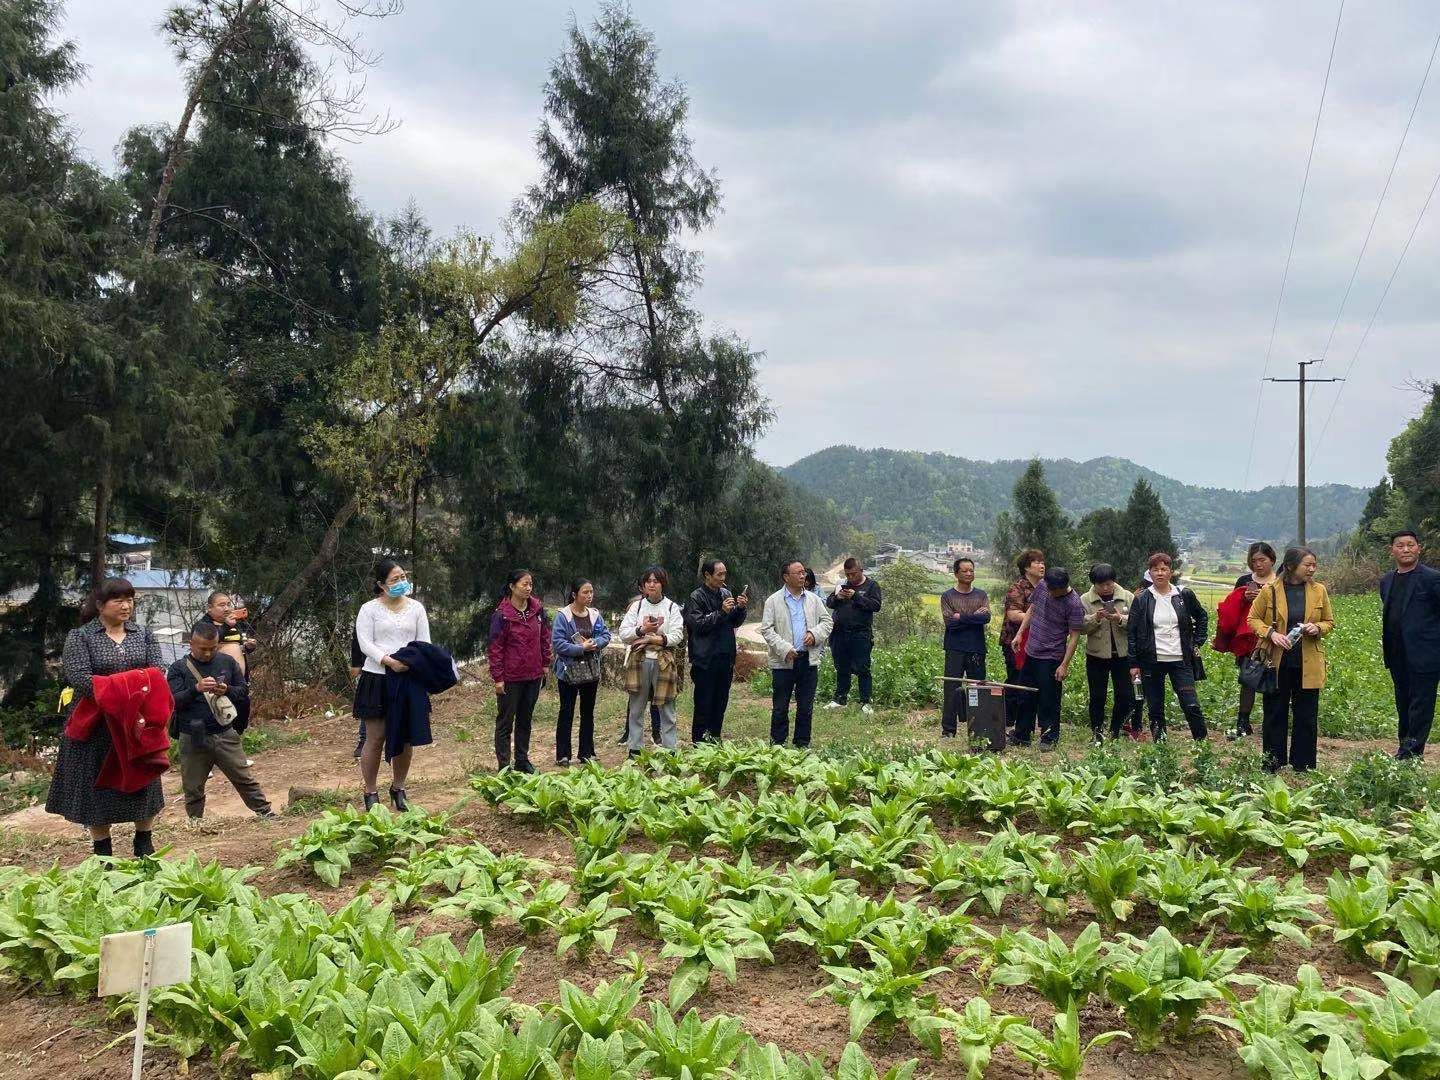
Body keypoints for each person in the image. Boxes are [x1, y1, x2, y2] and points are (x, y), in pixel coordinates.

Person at [44, 578, 166, 857]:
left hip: (135, 723)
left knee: (142, 777)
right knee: (96, 784)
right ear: (100, 605)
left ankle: (144, 841)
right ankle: (102, 850)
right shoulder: (81, 637)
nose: (126, 606)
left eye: (130, 600)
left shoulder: (143, 634)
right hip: (96, 726)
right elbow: (80, 678)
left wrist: (123, 687)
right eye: (119, 601)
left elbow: (157, 672)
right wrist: (130, 685)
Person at [167, 621, 274, 822]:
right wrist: (195, 689)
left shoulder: (226, 661)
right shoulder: (178, 668)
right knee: (193, 786)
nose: (208, 653)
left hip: (225, 732)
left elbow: (243, 691)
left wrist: (228, 690)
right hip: (192, 735)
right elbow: (172, 701)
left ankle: (265, 812)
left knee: (244, 778)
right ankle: (195, 822)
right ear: (191, 643)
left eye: (213, 648)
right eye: (203, 649)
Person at [1247, 546, 1334, 773]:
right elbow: (1253, 619)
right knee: (1275, 713)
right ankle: (1272, 763)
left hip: (1308, 662)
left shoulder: (1319, 590)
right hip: (1277, 663)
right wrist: (1271, 634)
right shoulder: (1270, 590)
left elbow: (1329, 622)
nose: (1312, 569)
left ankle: (1303, 765)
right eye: (1307, 565)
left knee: (1306, 715)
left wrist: (1317, 627)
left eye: (1314, 565)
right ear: (1290, 566)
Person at [355, 558, 431, 809]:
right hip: (377, 677)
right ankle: (370, 792)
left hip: (409, 678)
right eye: (394, 580)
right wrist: (388, 660)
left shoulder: (416, 608)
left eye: (403, 577)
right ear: (381, 584)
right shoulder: (369, 609)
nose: (401, 583)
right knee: (375, 737)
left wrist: (410, 662)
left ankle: (398, 787)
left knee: (406, 737)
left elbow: (424, 642)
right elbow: (365, 643)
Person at [1127, 553, 1209, 741]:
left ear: (1170, 572)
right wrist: (1134, 663)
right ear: (1150, 573)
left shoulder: (1183, 595)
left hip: (1181, 659)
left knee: (1190, 704)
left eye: (1164, 569)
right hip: (1152, 660)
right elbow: (1132, 632)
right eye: (1155, 570)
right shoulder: (1142, 599)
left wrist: (1196, 642)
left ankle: (1202, 742)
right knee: (1155, 707)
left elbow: (1202, 616)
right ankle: (1160, 744)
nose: (1160, 573)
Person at [760, 560, 834, 748]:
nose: (803, 576)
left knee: (805, 706)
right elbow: (767, 630)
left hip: (807, 660)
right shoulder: (773, 601)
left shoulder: (813, 599)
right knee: (780, 707)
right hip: (784, 661)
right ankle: (778, 745)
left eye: (804, 573)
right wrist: (785, 649)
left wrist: (814, 634)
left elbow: (827, 622)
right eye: (798, 573)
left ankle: (802, 744)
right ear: (786, 577)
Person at [1381, 530, 1440, 760]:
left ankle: (1409, 756)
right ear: (1392, 550)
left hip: (1426, 654)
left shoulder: (1432, 578)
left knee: (1421, 705)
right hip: (1397, 653)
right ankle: (1405, 746)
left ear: (1419, 548)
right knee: (1403, 704)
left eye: (1410, 545)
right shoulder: (1387, 581)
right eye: (1400, 545)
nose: (1406, 550)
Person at [1213, 542, 1279, 740]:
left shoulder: (1279, 581)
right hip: (1247, 638)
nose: (1258, 564)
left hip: (1273, 636)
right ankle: (1243, 721)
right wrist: (1244, 598)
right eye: (1254, 561)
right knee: (1248, 680)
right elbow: (1231, 608)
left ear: (1272, 560)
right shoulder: (1244, 580)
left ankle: (1272, 721)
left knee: (1273, 680)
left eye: (1262, 560)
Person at [488, 569, 551, 773]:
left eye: (530, 584)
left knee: (526, 719)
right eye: (524, 584)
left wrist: (545, 663)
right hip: (511, 677)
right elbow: (495, 648)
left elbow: (544, 637)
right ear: (512, 587)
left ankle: (522, 760)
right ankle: (504, 766)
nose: (528, 588)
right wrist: (498, 678)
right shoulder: (501, 616)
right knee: (506, 721)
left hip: (533, 675)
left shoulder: (537, 610)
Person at [1013, 567, 1083, 747]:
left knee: (1048, 700)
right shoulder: (1044, 585)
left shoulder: (1074, 603)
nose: (1050, 592)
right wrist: (1020, 633)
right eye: (1048, 588)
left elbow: (1074, 636)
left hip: (1051, 657)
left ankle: (1049, 737)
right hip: (1031, 651)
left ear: (1063, 587)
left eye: (1054, 590)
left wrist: (1064, 665)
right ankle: (1021, 735)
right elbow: (1032, 608)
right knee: (1025, 695)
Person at [619, 567, 685, 755]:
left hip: (663, 662)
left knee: (666, 708)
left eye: (656, 581)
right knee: (636, 707)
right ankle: (635, 749)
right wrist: (642, 630)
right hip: (640, 661)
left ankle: (670, 750)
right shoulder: (637, 607)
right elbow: (624, 633)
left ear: (662, 583)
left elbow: (677, 635)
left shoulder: (672, 607)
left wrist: (654, 639)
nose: (652, 584)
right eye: (648, 581)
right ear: (644, 585)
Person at [682, 560, 748, 744]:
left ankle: (715, 738)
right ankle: (699, 743)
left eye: (724, 574)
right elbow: (698, 625)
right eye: (719, 574)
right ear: (707, 575)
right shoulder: (696, 597)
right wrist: (721, 612)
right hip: (704, 659)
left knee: (720, 702)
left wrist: (740, 609)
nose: (723, 578)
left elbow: (734, 622)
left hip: (725, 657)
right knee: (704, 703)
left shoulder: (726, 593)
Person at [552, 578, 610, 765]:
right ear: (574, 594)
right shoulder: (563, 616)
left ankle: (586, 752)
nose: (589, 596)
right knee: (566, 711)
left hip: (590, 671)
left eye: (591, 592)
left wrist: (595, 644)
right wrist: (580, 648)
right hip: (569, 670)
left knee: (588, 711)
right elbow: (558, 643)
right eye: (585, 592)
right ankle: (563, 754)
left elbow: (605, 635)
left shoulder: (594, 615)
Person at [1079, 564, 1136, 742]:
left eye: (1109, 584)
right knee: (1097, 695)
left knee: (1125, 695)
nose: (1105, 588)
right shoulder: (1085, 600)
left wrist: (1120, 618)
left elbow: (1137, 623)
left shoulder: (1127, 597)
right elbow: (1080, 627)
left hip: (1123, 654)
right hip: (1096, 655)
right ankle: (1097, 731)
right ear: (1094, 584)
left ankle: (1116, 729)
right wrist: (1095, 618)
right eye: (1101, 585)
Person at [824, 557, 883, 715]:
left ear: (861, 570)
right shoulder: (842, 585)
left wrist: (856, 596)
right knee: (841, 666)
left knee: (863, 667)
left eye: (853, 574)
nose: (850, 577)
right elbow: (829, 603)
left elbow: (875, 606)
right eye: (847, 574)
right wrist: (838, 597)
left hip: (861, 633)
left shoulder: (871, 586)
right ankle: (840, 699)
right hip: (840, 633)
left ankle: (865, 701)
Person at [939, 558, 990, 737]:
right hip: (954, 648)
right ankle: (948, 730)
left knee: (978, 688)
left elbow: (985, 618)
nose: (969, 574)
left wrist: (961, 617)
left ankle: (978, 728)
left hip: (976, 648)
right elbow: (949, 623)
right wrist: (973, 616)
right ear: (956, 574)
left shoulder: (981, 595)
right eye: (965, 571)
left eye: (971, 570)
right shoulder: (947, 596)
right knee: (951, 687)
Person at [1001, 550, 1045, 735]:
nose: (1042, 565)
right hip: (1015, 642)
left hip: (1038, 643)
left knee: (1033, 682)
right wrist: (1039, 619)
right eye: (1037, 562)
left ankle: (1026, 722)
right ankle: (1008, 720)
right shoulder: (1018, 587)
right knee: (1016, 681)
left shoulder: (1045, 587)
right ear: (1026, 567)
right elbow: (1012, 614)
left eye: (1043, 562)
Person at [200, 591, 257, 675]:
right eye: (222, 605)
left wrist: (248, 646)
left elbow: (239, 646)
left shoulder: (233, 624)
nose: (226, 609)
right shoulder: (202, 625)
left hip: (238, 681)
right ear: (209, 607)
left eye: (229, 605)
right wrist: (226, 626)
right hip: (214, 676)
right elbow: (209, 641)